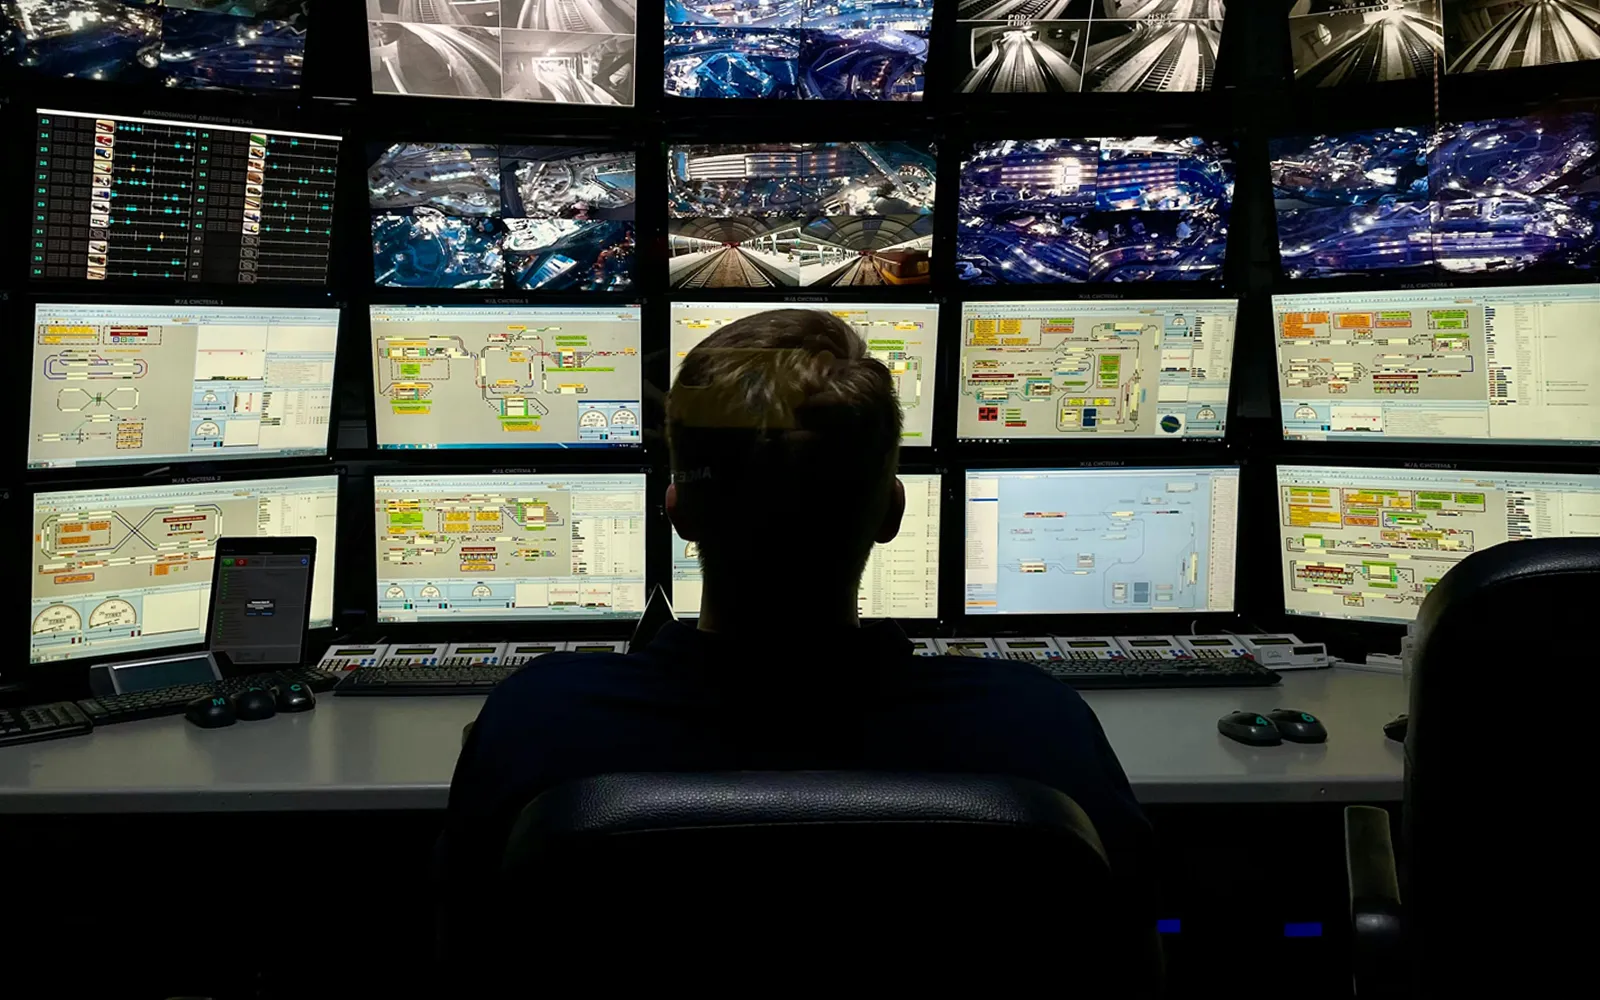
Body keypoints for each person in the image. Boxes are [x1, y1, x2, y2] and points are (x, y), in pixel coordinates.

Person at [438, 309, 1159, 972]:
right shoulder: (1038, 726)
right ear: (893, 511)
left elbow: (466, 945)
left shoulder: (538, 717)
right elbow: (1126, 950)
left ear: (676, 509)